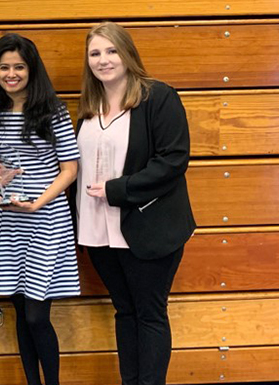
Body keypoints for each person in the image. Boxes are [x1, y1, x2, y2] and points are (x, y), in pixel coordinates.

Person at [75, 21, 195, 385]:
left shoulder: (157, 97)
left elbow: (173, 160)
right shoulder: (87, 106)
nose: (103, 60)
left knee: (149, 313)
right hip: (99, 230)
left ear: (127, 53)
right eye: (95, 53)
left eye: (111, 51)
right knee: (124, 311)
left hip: (147, 227)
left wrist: (117, 190)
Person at [0, 33, 80, 385]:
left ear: (31, 70)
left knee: (37, 315)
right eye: (4, 67)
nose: (11, 74)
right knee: (20, 311)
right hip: (7, 220)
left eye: (19, 66)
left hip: (46, 219)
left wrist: (37, 202)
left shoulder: (53, 111)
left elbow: (70, 170)